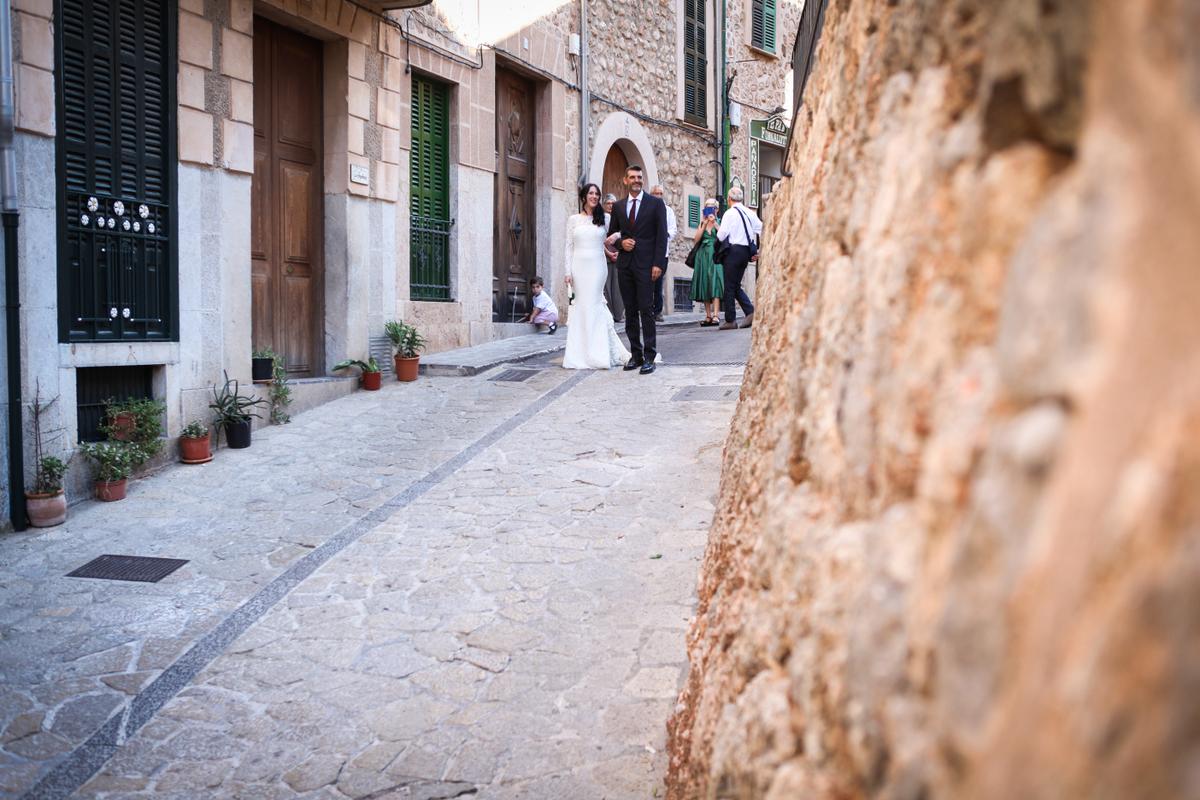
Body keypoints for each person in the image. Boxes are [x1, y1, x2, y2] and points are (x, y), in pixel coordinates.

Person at [562, 184, 633, 369]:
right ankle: (580, 354)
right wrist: (567, 272)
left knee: (594, 305)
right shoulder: (573, 219)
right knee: (581, 307)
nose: (594, 196)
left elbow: (622, 231)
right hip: (578, 268)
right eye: (591, 193)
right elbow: (569, 246)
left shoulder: (605, 218)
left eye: (597, 194)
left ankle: (598, 354)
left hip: (597, 268)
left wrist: (613, 241)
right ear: (584, 197)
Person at [607, 164, 668, 374]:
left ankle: (650, 356)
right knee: (630, 311)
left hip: (647, 265)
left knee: (646, 310)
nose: (636, 180)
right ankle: (636, 354)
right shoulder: (618, 207)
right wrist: (621, 243)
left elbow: (662, 237)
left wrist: (658, 264)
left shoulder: (655, 204)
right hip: (625, 265)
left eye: (639, 177)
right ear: (625, 180)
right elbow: (613, 235)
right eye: (632, 177)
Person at [715, 185, 761, 330]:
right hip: (746, 252)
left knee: (729, 286)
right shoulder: (749, 212)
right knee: (734, 285)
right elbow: (762, 228)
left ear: (729, 199)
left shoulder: (729, 214)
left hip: (733, 252)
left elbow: (721, 235)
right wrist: (760, 250)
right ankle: (749, 312)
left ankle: (730, 320)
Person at [689, 198, 724, 326]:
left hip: (716, 256)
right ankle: (708, 315)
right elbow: (696, 240)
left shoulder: (720, 222)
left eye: (713, 208)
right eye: (708, 207)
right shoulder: (702, 223)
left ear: (717, 210)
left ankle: (716, 315)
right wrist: (703, 225)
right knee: (705, 283)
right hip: (703, 256)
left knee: (715, 282)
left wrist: (714, 223)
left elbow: (723, 236)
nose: (711, 210)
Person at [649, 185, 677, 322]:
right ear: (651, 194)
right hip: (647, 252)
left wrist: (663, 234)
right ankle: (646, 309)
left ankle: (658, 311)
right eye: (656, 193)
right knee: (646, 282)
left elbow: (673, 230)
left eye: (660, 193)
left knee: (658, 283)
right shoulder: (646, 208)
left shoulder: (668, 211)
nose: (658, 196)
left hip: (662, 253)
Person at [601, 193, 623, 322]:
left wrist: (619, 253)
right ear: (604, 205)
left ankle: (619, 315)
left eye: (613, 203)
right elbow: (599, 239)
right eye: (608, 203)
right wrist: (608, 253)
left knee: (618, 287)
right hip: (605, 256)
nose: (611, 206)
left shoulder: (621, 218)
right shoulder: (601, 219)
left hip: (619, 255)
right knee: (607, 287)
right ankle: (609, 314)